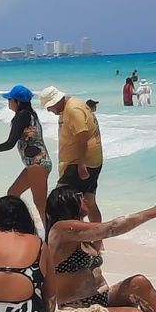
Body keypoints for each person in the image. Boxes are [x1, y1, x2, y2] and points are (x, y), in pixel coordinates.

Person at [0, 85, 53, 223]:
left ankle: (50, 238)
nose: (8, 102)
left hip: (37, 163)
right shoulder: (30, 114)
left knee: (41, 205)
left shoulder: (22, 116)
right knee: (13, 194)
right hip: (37, 164)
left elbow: (10, 143)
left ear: (17, 102)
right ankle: (23, 225)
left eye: (10, 99)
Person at [40, 86, 104, 226]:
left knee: (60, 203)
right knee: (89, 201)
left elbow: (83, 137)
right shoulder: (69, 105)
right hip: (89, 161)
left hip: (80, 163)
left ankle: (69, 242)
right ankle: (97, 241)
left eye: (49, 106)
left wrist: (81, 165)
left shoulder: (73, 109)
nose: (49, 110)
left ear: (56, 101)